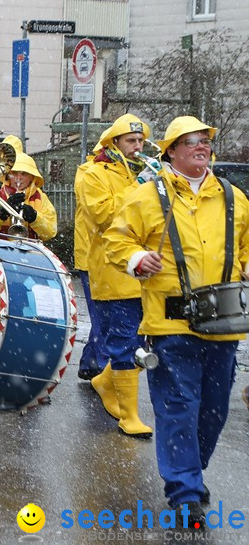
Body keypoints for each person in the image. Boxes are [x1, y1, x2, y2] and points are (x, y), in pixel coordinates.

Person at [105, 116, 248, 530]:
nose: (201, 148)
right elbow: (116, 238)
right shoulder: (147, 196)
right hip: (170, 324)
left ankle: (190, 473)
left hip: (225, 322)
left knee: (214, 412)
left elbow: (245, 246)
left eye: (204, 141)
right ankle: (185, 493)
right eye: (191, 143)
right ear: (171, 152)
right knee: (178, 409)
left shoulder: (234, 198)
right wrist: (136, 258)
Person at [78, 114, 155, 438]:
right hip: (112, 267)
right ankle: (129, 415)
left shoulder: (147, 173)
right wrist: (138, 188)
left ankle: (105, 383)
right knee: (123, 339)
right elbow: (105, 215)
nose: (137, 147)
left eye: (140, 141)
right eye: (130, 142)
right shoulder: (92, 173)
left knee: (141, 339)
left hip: (149, 270)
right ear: (114, 143)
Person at [76, 130, 109, 380]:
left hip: (112, 257)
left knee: (106, 319)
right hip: (91, 256)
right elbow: (102, 214)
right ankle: (100, 367)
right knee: (100, 317)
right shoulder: (87, 173)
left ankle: (90, 363)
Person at [0, 151, 56, 240]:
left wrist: (35, 217)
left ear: (32, 177)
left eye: (24, 173)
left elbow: (50, 233)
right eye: (15, 173)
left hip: (31, 251)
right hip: (0, 250)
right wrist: (0, 214)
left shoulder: (41, 198)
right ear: (8, 175)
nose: (19, 178)